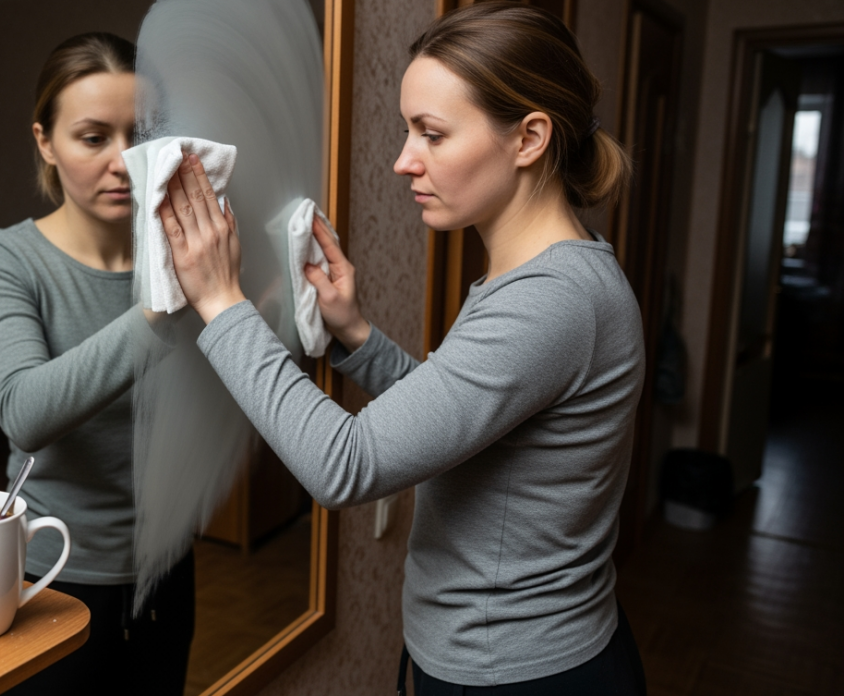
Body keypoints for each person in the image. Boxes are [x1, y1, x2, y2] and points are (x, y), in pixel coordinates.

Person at [157, 3, 648, 695]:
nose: (402, 160)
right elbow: (465, 418)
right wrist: (355, 335)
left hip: (522, 675)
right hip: (509, 656)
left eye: (432, 133)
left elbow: (345, 464)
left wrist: (219, 303)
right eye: (406, 128)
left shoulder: (551, 300)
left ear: (530, 137)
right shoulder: (548, 277)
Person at [0, 33, 191, 695]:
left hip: (167, 571)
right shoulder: (6, 259)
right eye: (94, 138)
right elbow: (26, 413)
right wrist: (158, 313)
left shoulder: (182, 254)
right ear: (45, 142)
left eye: (141, 134)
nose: (124, 162)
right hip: (52, 575)